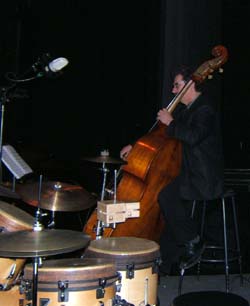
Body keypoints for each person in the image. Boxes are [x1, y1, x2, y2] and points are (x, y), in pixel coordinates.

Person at [120, 66, 224, 275]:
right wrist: (137, 145)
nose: (174, 91)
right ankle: (166, 264)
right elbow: (163, 135)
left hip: (203, 177)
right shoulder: (187, 111)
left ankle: (193, 241)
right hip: (187, 173)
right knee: (167, 210)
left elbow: (193, 136)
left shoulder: (205, 109)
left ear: (191, 84)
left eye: (177, 85)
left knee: (166, 196)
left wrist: (171, 122)